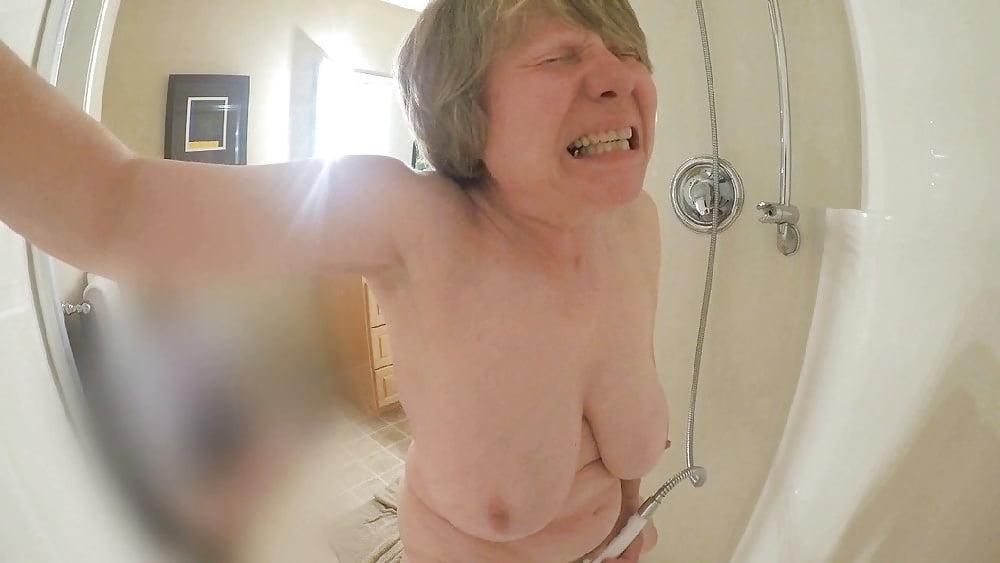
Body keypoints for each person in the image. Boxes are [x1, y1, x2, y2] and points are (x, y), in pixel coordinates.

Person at [0, 0, 669, 560]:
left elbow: (616, 453)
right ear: (468, 103)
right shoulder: (411, 220)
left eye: (627, 52)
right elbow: (113, 206)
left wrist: (626, 526)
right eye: (560, 57)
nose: (622, 77)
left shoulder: (636, 223)